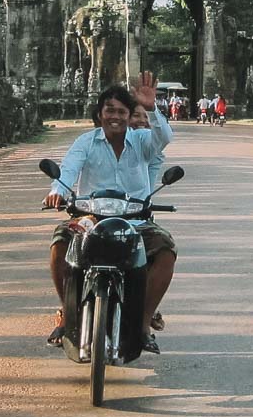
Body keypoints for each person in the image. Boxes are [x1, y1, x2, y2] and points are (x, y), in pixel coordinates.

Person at [44, 72, 178, 353]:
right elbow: (68, 169)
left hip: (135, 221)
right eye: (110, 110)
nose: (115, 116)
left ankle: (142, 322)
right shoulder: (85, 142)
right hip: (89, 219)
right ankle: (67, 311)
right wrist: (58, 189)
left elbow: (164, 137)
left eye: (121, 111)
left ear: (130, 116)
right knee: (59, 244)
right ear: (100, 113)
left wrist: (151, 108)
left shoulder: (142, 141)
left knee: (165, 249)